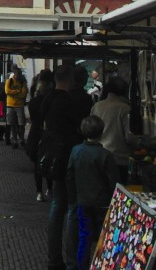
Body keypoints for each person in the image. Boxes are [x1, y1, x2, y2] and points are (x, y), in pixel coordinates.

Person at [43, 64, 94, 270]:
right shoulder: (69, 101)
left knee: (57, 207)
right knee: (72, 207)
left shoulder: (48, 98)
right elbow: (80, 126)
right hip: (69, 156)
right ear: (71, 80)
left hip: (53, 155)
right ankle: (71, 261)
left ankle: (54, 258)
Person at [66, 116, 118, 270]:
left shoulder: (76, 151)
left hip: (83, 201)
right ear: (101, 132)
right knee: (103, 237)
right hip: (102, 204)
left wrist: (73, 197)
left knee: (84, 237)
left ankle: (81, 266)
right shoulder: (105, 155)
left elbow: (69, 175)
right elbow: (114, 181)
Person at [91, 75, 133, 180]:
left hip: (97, 158)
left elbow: (91, 131)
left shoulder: (97, 106)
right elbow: (130, 137)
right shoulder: (125, 109)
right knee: (116, 193)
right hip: (118, 160)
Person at [26, 69, 54, 201]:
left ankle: (39, 192)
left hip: (35, 133)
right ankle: (49, 188)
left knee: (37, 164)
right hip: (47, 134)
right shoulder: (51, 101)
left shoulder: (34, 102)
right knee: (49, 160)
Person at [4, 65, 28, 149]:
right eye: (17, 74)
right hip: (10, 105)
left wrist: (13, 93)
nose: (18, 76)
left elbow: (24, 93)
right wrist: (18, 91)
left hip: (19, 105)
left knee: (21, 124)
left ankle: (21, 139)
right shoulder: (9, 81)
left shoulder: (22, 82)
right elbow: (7, 91)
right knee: (12, 124)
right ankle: (14, 140)